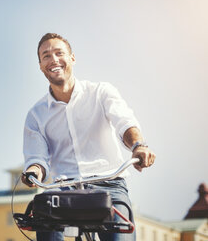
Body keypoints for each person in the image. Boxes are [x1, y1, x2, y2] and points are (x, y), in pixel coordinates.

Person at [21, 33, 156, 241]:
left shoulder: (101, 92)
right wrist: (33, 171)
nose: (54, 60)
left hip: (109, 183)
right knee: (43, 215)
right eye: (46, 56)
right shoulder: (36, 114)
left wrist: (138, 145)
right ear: (40, 65)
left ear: (72, 58)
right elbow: (37, 159)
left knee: (120, 232)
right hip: (64, 189)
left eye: (59, 53)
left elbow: (125, 122)